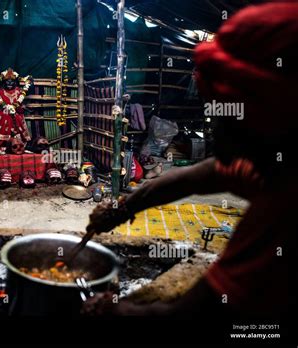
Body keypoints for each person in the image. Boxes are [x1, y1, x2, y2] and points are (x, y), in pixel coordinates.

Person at [83, 2, 298, 318]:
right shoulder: (273, 161)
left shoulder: (284, 207)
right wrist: (126, 207)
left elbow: (194, 313)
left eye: (225, 115)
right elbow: (202, 174)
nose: (215, 133)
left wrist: (114, 311)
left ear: (269, 115)